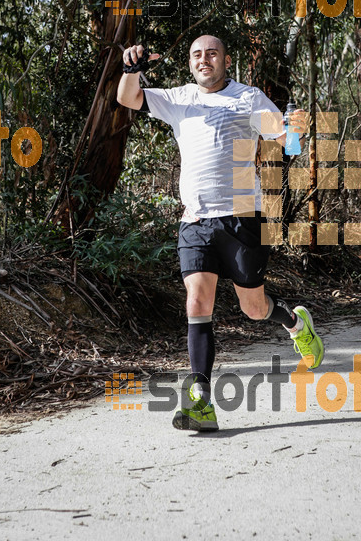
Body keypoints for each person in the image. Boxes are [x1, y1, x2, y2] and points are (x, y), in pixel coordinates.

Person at [117, 35, 324, 432]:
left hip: (243, 219)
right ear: (190, 63)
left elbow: (288, 144)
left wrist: (294, 129)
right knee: (197, 300)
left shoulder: (248, 98)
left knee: (254, 308)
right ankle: (201, 402)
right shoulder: (178, 98)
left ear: (226, 60)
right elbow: (128, 98)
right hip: (195, 221)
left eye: (211, 53)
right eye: (196, 54)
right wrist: (132, 69)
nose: (203, 60)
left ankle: (296, 324)